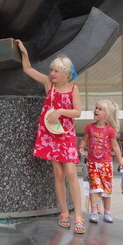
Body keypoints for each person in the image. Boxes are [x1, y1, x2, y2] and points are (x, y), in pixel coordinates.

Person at [16, 40, 86, 234]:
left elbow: (78, 112)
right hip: (51, 134)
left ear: (66, 73)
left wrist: (61, 111)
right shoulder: (49, 84)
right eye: (51, 70)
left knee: (71, 173)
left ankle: (78, 216)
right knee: (58, 174)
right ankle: (64, 212)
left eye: (56, 71)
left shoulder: (73, 89)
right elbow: (28, 70)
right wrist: (23, 52)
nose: (52, 74)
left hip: (66, 135)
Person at [78, 100, 123, 223]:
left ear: (107, 115)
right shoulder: (90, 127)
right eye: (96, 108)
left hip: (106, 164)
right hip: (92, 163)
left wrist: (120, 160)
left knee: (106, 189)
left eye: (100, 109)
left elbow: (115, 146)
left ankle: (107, 211)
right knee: (94, 187)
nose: (96, 110)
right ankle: (94, 211)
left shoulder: (110, 130)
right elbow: (84, 139)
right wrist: (81, 147)